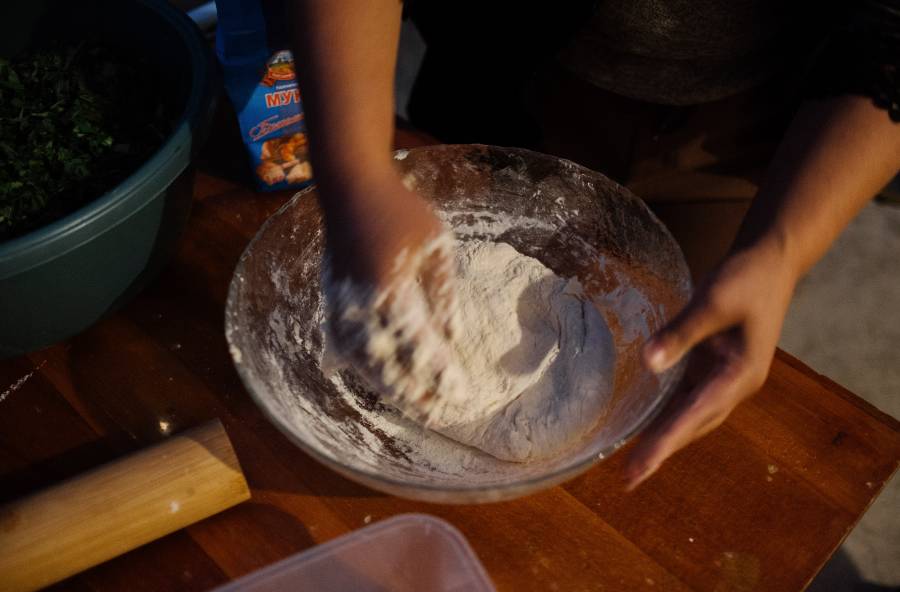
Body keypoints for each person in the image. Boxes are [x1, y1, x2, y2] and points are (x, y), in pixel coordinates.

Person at [285, 0, 900, 488]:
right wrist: (360, 177)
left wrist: (782, 249)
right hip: (506, 66)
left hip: (747, 126)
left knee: (682, 338)